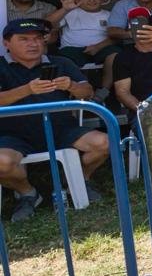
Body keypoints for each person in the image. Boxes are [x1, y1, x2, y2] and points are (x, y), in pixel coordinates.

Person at [0, 19, 111, 221]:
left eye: (37, 38)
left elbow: (87, 92)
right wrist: (27, 90)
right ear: (6, 43)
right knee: (2, 163)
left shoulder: (61, 63)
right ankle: (27, 193)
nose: (33, 44)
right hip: (13, 135)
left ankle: (78, 179)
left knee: (105, 143)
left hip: (62, 129)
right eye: (24, 39)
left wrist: (71, 86)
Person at [57, 0, 120, 68]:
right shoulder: (68, 12)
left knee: (116, 55)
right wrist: (64, 10)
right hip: (72, 49)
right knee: (63, 58)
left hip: (102, 48)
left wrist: (97, 47)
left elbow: (117, 37)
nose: (92, 0)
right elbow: (48, 24)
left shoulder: (110, 15)